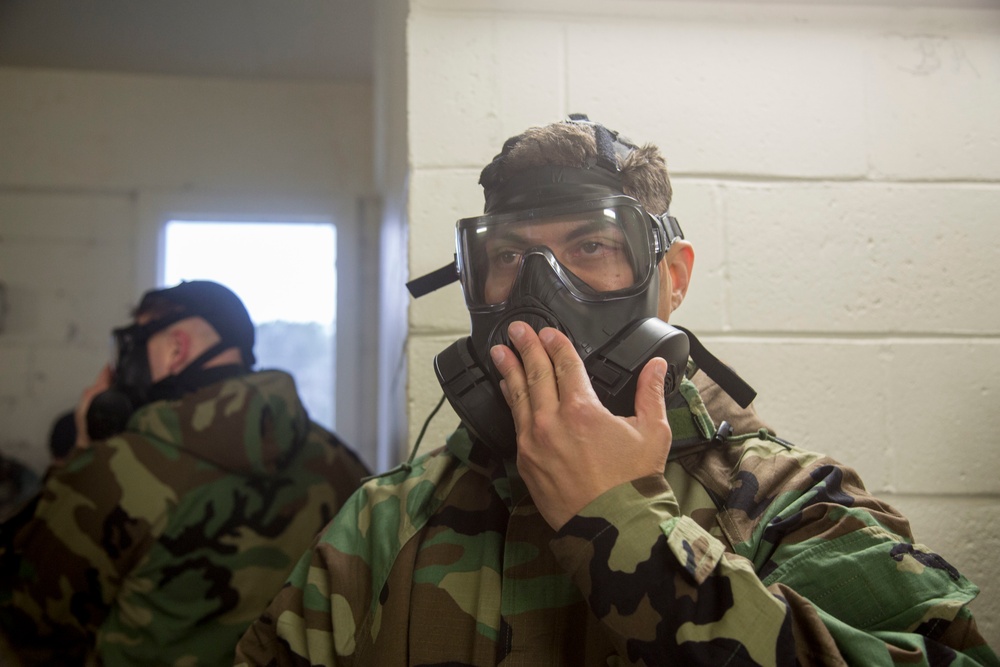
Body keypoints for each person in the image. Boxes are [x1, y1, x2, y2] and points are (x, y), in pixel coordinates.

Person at [234, 117, 998, 665]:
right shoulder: (385, 521)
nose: (538, 289)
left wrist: (619, 521)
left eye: (590, 246)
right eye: (508, 256)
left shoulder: (790, 505)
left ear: (672, 277)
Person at [0, 280, 370, 666]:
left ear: (177, 348)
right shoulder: (344, 464)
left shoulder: (114, 468)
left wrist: (76, 455)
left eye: (135, 343)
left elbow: (27, 624)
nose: (119, 366)